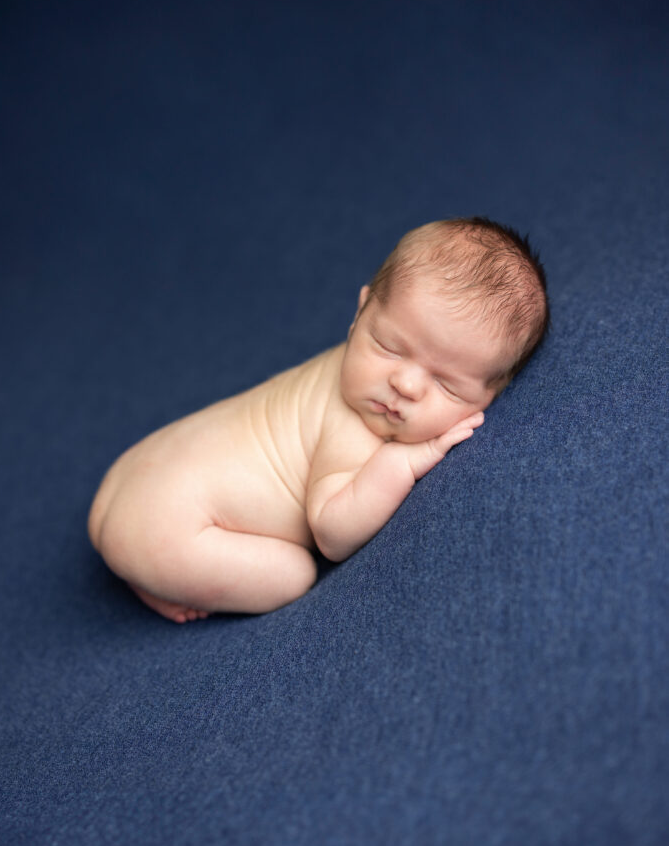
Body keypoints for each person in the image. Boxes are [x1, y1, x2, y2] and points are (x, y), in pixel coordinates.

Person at [87, 216, 549, 622]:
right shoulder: (356, 428)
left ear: (496, 393)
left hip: (134, 475)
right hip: (164, 528)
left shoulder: (351, 367)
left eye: (448, 385)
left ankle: (144, 564)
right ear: (359, 313)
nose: (405, 385)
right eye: (389, 346)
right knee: (293, 575)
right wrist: (403, 463)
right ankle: (155, 577)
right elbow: (331, 533)